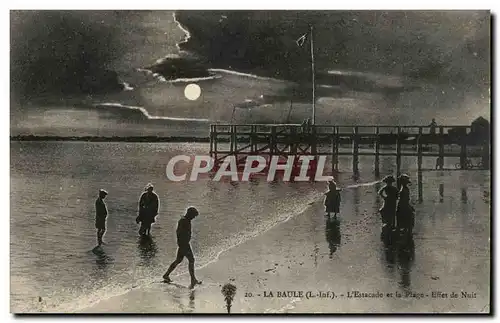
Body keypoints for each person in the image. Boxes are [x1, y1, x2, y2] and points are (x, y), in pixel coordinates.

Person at [162, 207, 202, 289]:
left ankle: (166, 275)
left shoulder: (186, 220)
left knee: (178, 260)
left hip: (184, 244)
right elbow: (179, 232)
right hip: (184, 244)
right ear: (190, 214)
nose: (193, 217)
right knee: (191, 260)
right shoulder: (184, 221)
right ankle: (192, 279)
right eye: (193, 216)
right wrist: (181, 244)